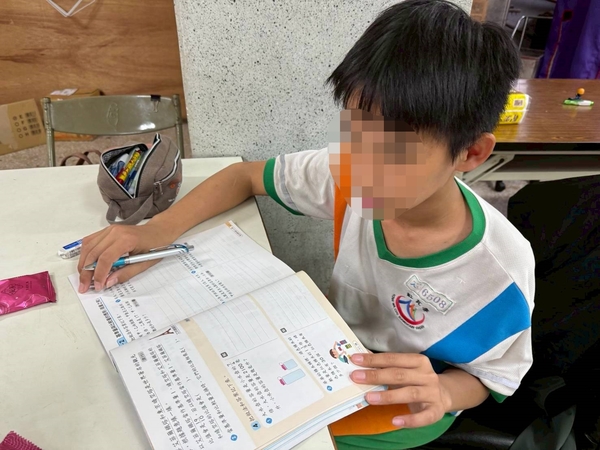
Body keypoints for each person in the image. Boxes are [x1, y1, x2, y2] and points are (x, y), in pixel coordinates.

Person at [78, 1, 534, 448]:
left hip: (397, 410)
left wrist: (447, 392)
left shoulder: (500, 270)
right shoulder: (347, 173)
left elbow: (492, 375)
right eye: (356, 130)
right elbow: (243, 176)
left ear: (471, 153)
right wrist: (156, 230)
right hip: (321, 359)